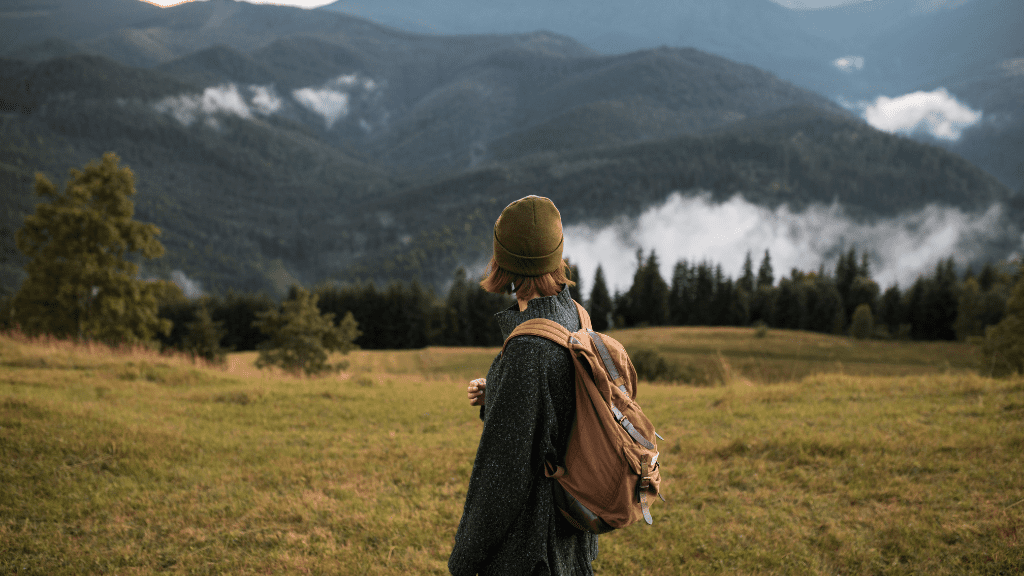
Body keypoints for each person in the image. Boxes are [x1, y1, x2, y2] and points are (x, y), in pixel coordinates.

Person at [448, 196, 599, 576]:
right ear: (556, 253)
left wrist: (464, 561)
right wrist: (498, 393)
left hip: (533, 551)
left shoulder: (527, 351)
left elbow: (501, 478)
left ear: (503, 261)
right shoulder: (576, 315)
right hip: (573, 536)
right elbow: (558, 407)